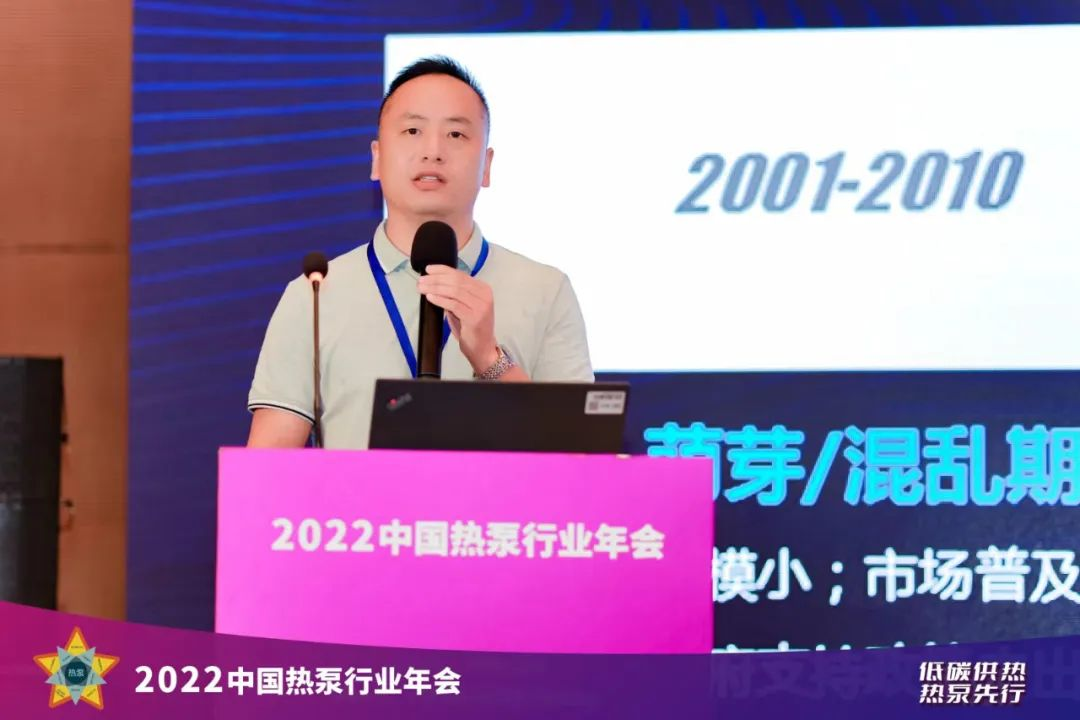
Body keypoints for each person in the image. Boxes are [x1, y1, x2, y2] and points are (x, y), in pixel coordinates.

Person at [246, 56, 594, 449]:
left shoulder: (545, 290)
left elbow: (582, 460)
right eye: (413, 130)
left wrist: (491, 360)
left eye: (456, 134)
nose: (433, 151)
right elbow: (266, 468)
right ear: (377, 158)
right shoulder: (315, 295)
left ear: (486, 166)